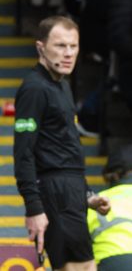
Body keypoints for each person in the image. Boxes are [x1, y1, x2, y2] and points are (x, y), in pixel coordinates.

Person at [13, 16, 110, 271]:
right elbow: (23, 153)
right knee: (82, 268)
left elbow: (66, 148)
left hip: (71, 190)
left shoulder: (62, 86)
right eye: (60, 46)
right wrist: (34, 208)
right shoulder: (34, 88)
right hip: (55, 193)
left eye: (73, 46)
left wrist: (87, 194)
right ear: (40, 47)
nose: (68, 54)